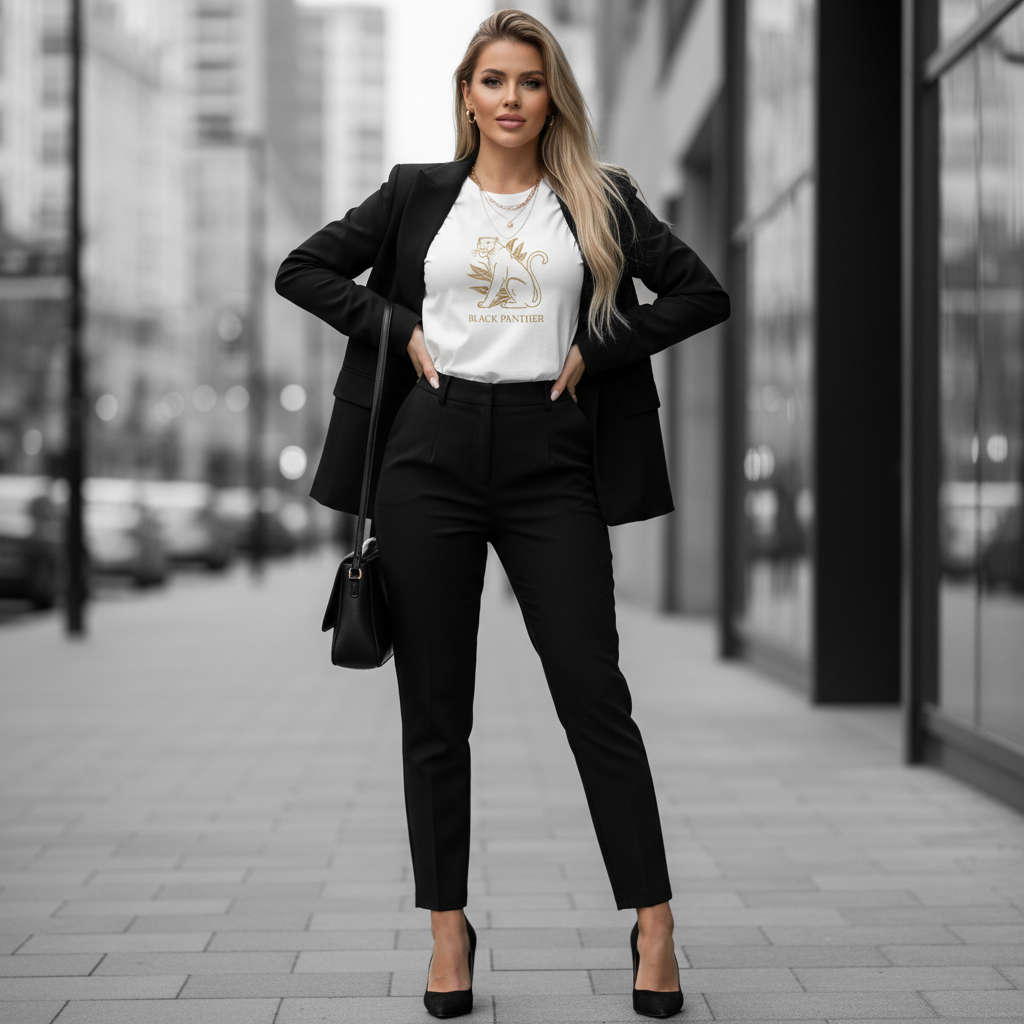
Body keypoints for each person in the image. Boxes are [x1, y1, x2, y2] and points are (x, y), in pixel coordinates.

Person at [276, 9, 729, 1019]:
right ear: (468, 95)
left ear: (551, 94)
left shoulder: (599, 198)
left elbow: (700, 294)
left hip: (550, 453)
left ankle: (654, 920)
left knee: (592, 692)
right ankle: (448, 928)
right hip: (428, 454)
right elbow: (300, 269)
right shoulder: (414, 194)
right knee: (435, 713)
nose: (512, 98)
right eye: (494, 80)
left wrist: (599, 348)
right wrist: (396, 325)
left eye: (529, 80)